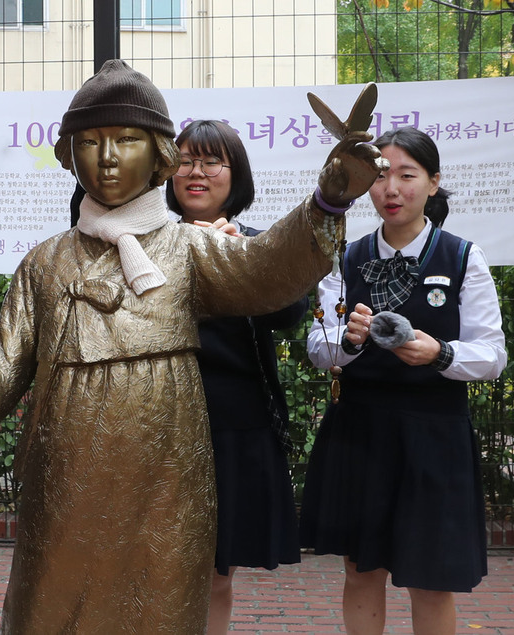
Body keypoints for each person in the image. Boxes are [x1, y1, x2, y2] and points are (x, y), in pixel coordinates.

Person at [0, 59, 384, 633]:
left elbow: (266, 270)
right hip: (64, 479)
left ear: (159, 153)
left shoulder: (188, 249)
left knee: (158, 607)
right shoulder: (46, 263)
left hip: (167, 477)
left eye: (126, 140)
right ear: (69, 155)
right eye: (89, 142)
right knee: (53, 606)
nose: (107, 157)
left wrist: (328, 202)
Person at [299, 126, 507, 635]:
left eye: (407, 176)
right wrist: (348, 343)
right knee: (361, 569)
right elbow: (318, 347)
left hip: (434, 432)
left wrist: (440, 354)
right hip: (361, 430)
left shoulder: (461, 258)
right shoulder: (347, 257)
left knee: (431, 578)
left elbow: (492, 354)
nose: (391, 189)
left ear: (433, 183)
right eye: (381, 176)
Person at [165, 119, 306, 634]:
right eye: (185, 159)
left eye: (211, 162)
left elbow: (291, 313)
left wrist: (239, 260)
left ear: (235, 174)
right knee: (153, 565)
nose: (196, 172)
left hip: (233, 427)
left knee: (216, 572)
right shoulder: (142, 242)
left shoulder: (252, 243)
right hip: (157, 422)